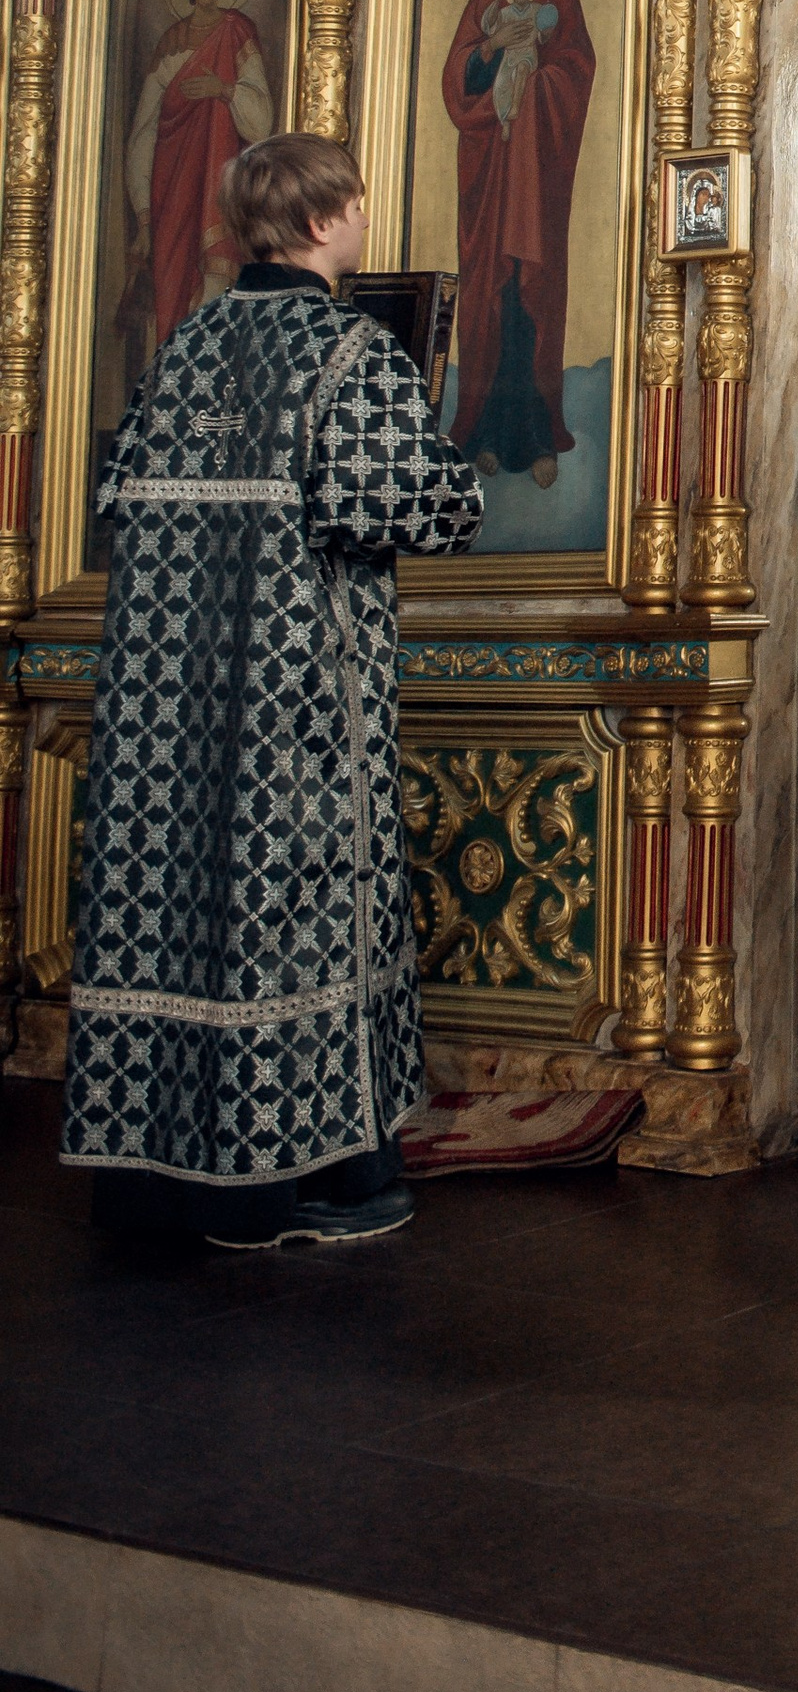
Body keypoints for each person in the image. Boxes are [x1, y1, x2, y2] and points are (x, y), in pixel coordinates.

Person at [61, 135, 484, 1248]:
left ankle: (166, 1176)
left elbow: (116, 497)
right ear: (323, 218)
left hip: (163, 717)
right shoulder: (348, 354)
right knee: (297, 921)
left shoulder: (185, 345)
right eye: (353, 202)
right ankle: (318, 1181)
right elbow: (422, 508)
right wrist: (455, 461)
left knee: (173, 922)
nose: (362, 217)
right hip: (293, 718)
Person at [442, 0, 596, 487]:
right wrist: (488, 51)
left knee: (532, 297)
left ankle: (537, 438)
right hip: (490, 173)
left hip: (537, 173)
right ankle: (483, 431)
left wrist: (535, 86)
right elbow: (459, 81)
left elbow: (577, 70)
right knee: (491, 297)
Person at [123, 0, 274, 351]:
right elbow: (143, 130)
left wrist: (223, 91)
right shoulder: (170, 41)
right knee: (169, 294)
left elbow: (260, 122)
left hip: (215, 186)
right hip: (169, 192)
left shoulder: (237, 31)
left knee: (214, 283)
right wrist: (142, 215)